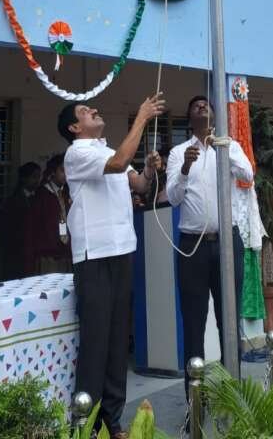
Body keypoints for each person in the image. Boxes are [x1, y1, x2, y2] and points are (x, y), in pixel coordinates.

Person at [58, 93, 164, 439]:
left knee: (118, 340)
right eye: (84, 110)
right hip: (94, 255)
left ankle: (111, 422)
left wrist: (150, 169)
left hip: (121, 251)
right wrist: (141, 118)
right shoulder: (78, 153)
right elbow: (119, 165)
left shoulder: (108, 150)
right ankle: (86, 425)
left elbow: (140, 185)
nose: (93, 109)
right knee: (96, 342)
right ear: (74, 128)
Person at [166, 96, 253, 401]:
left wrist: (224, 149)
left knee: (229, 319)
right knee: (193, 322)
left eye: (206, 104)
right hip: (193, 246)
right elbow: (173, 197)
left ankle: (233, 395)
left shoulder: (229, 146)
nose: (202, 107)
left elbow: (248, 175)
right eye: (196, 105)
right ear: (189, 117)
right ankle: (195, 402)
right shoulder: (178, 152)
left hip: (228, 242)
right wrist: (186, 167)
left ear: (214, 115)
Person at [25, 154, 72, 275]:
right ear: (53, 172)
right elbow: (32, 229)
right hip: (48, 255)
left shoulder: (67, 193)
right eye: (62, 170)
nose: (66, 174)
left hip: (66, 253)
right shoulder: (41, 195)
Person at [0, 161, 41, 280]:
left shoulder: (39, 197)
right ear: (24, 178)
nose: (37, 180)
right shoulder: (13, 201)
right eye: (34, 177)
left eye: (39, 177)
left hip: (34, 250)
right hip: (17, 251)